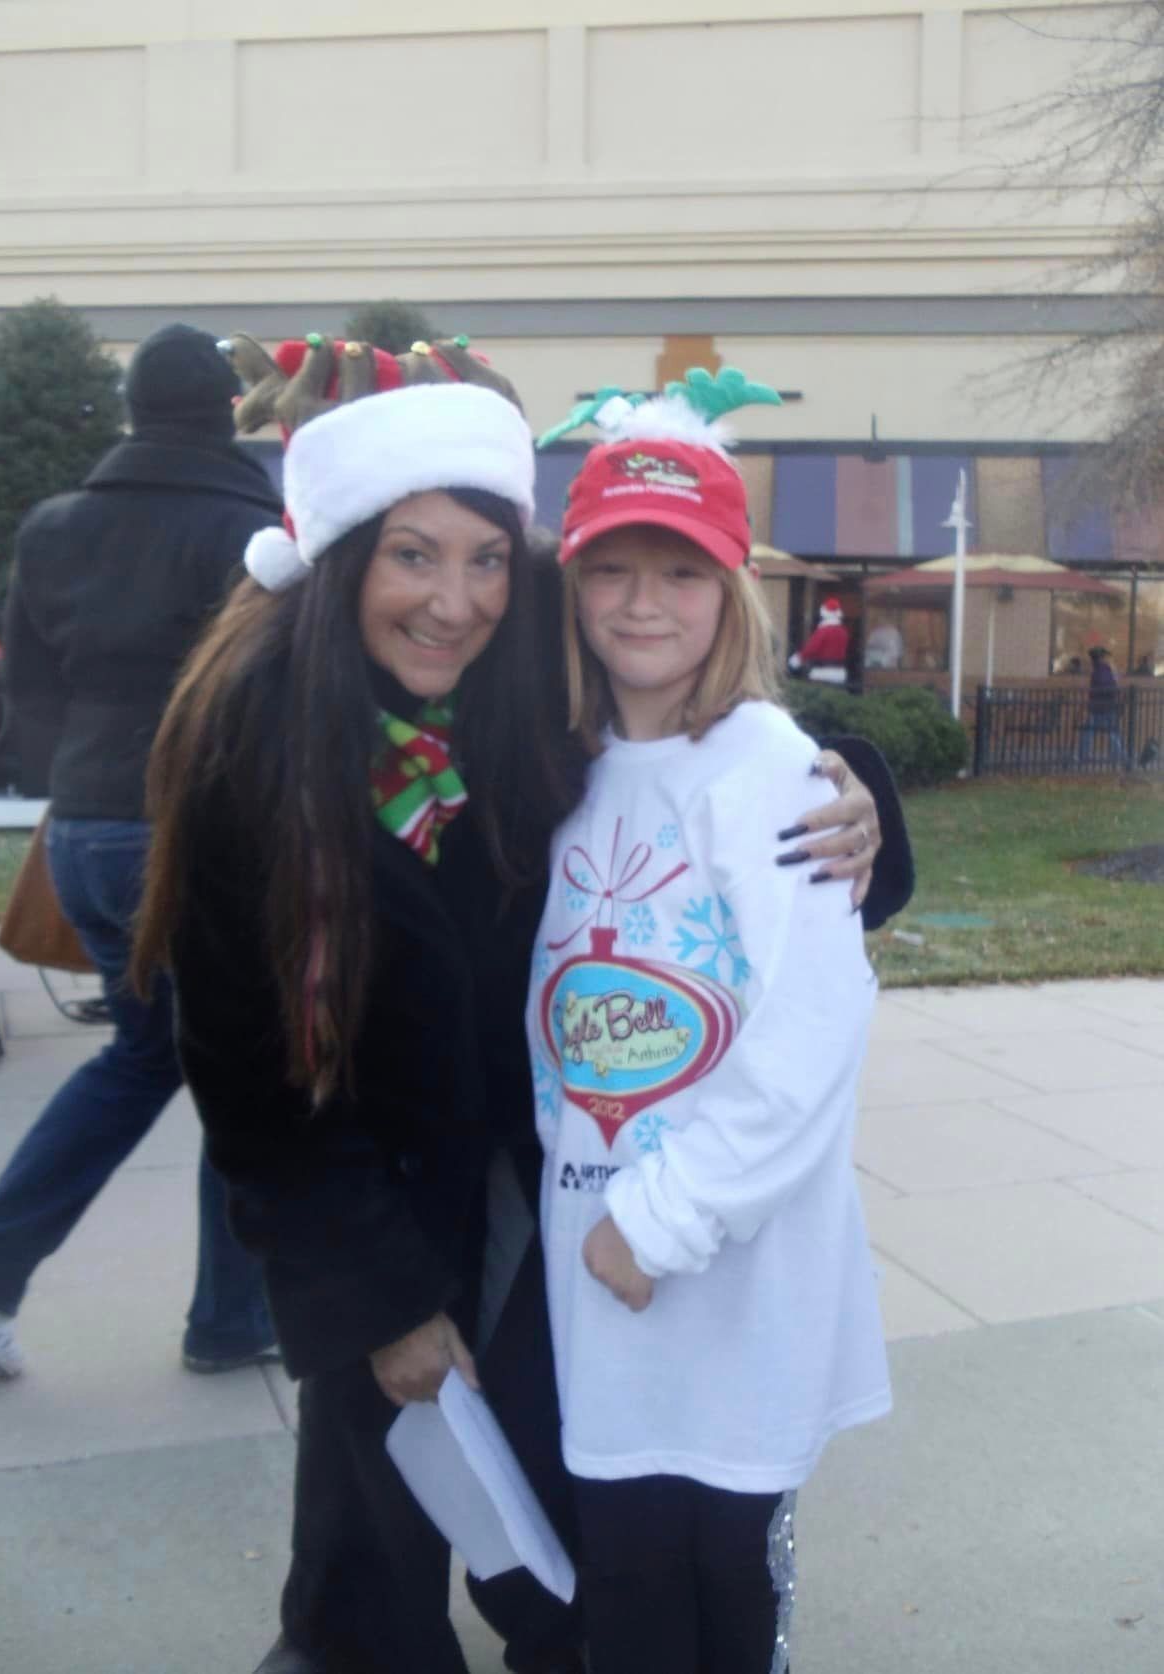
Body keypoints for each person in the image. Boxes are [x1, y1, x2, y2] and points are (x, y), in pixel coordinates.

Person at [130, 334, 911, 1674]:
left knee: (562, 1572)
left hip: (534, 1211)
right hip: (370, 1220)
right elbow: (257, 1095)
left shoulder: (518, 705)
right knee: (369, 1580)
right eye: (412, 555)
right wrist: (380, 1304)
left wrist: (859, 806)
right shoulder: (255, 751)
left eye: (488, 559)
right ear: (341, 563)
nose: (454, 599)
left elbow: (702, 768)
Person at [527, 382, 891, 1674]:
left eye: (677, 571)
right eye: (610, 568)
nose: (640, 601)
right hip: (591, 1257)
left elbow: (809, 1030)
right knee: (620, 1567)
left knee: (720, 1567)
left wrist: (664, 1219)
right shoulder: (552, 769)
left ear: (730, 588)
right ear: (566, 587)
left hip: (725, 1267)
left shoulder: (768, 770)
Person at [0, 323, 281, 1379]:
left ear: (130, 408)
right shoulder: (250, 531)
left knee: (150, 1052)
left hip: (82, 825)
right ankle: (228, 1316)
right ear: (222, 413)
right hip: (201, 831)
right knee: (239, 1061)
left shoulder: (57, 525)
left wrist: (72, 780)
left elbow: (23, 690)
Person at [1076, 644, 1128, 767]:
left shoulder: (1101, 670)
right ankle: (1121, 756)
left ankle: (1084, 755)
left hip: (1101, 707)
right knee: (1111, 732)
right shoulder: (1106, 670)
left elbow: (1107, 687)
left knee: (1091, 732)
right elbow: (1113, 686)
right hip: (1105, 707)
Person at [788, 594, 849, 684]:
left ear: (824, 613)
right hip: (839, 673)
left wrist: (796, 660)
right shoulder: (843, 631)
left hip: (822, 673)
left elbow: (811, 649)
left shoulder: (823, 631)